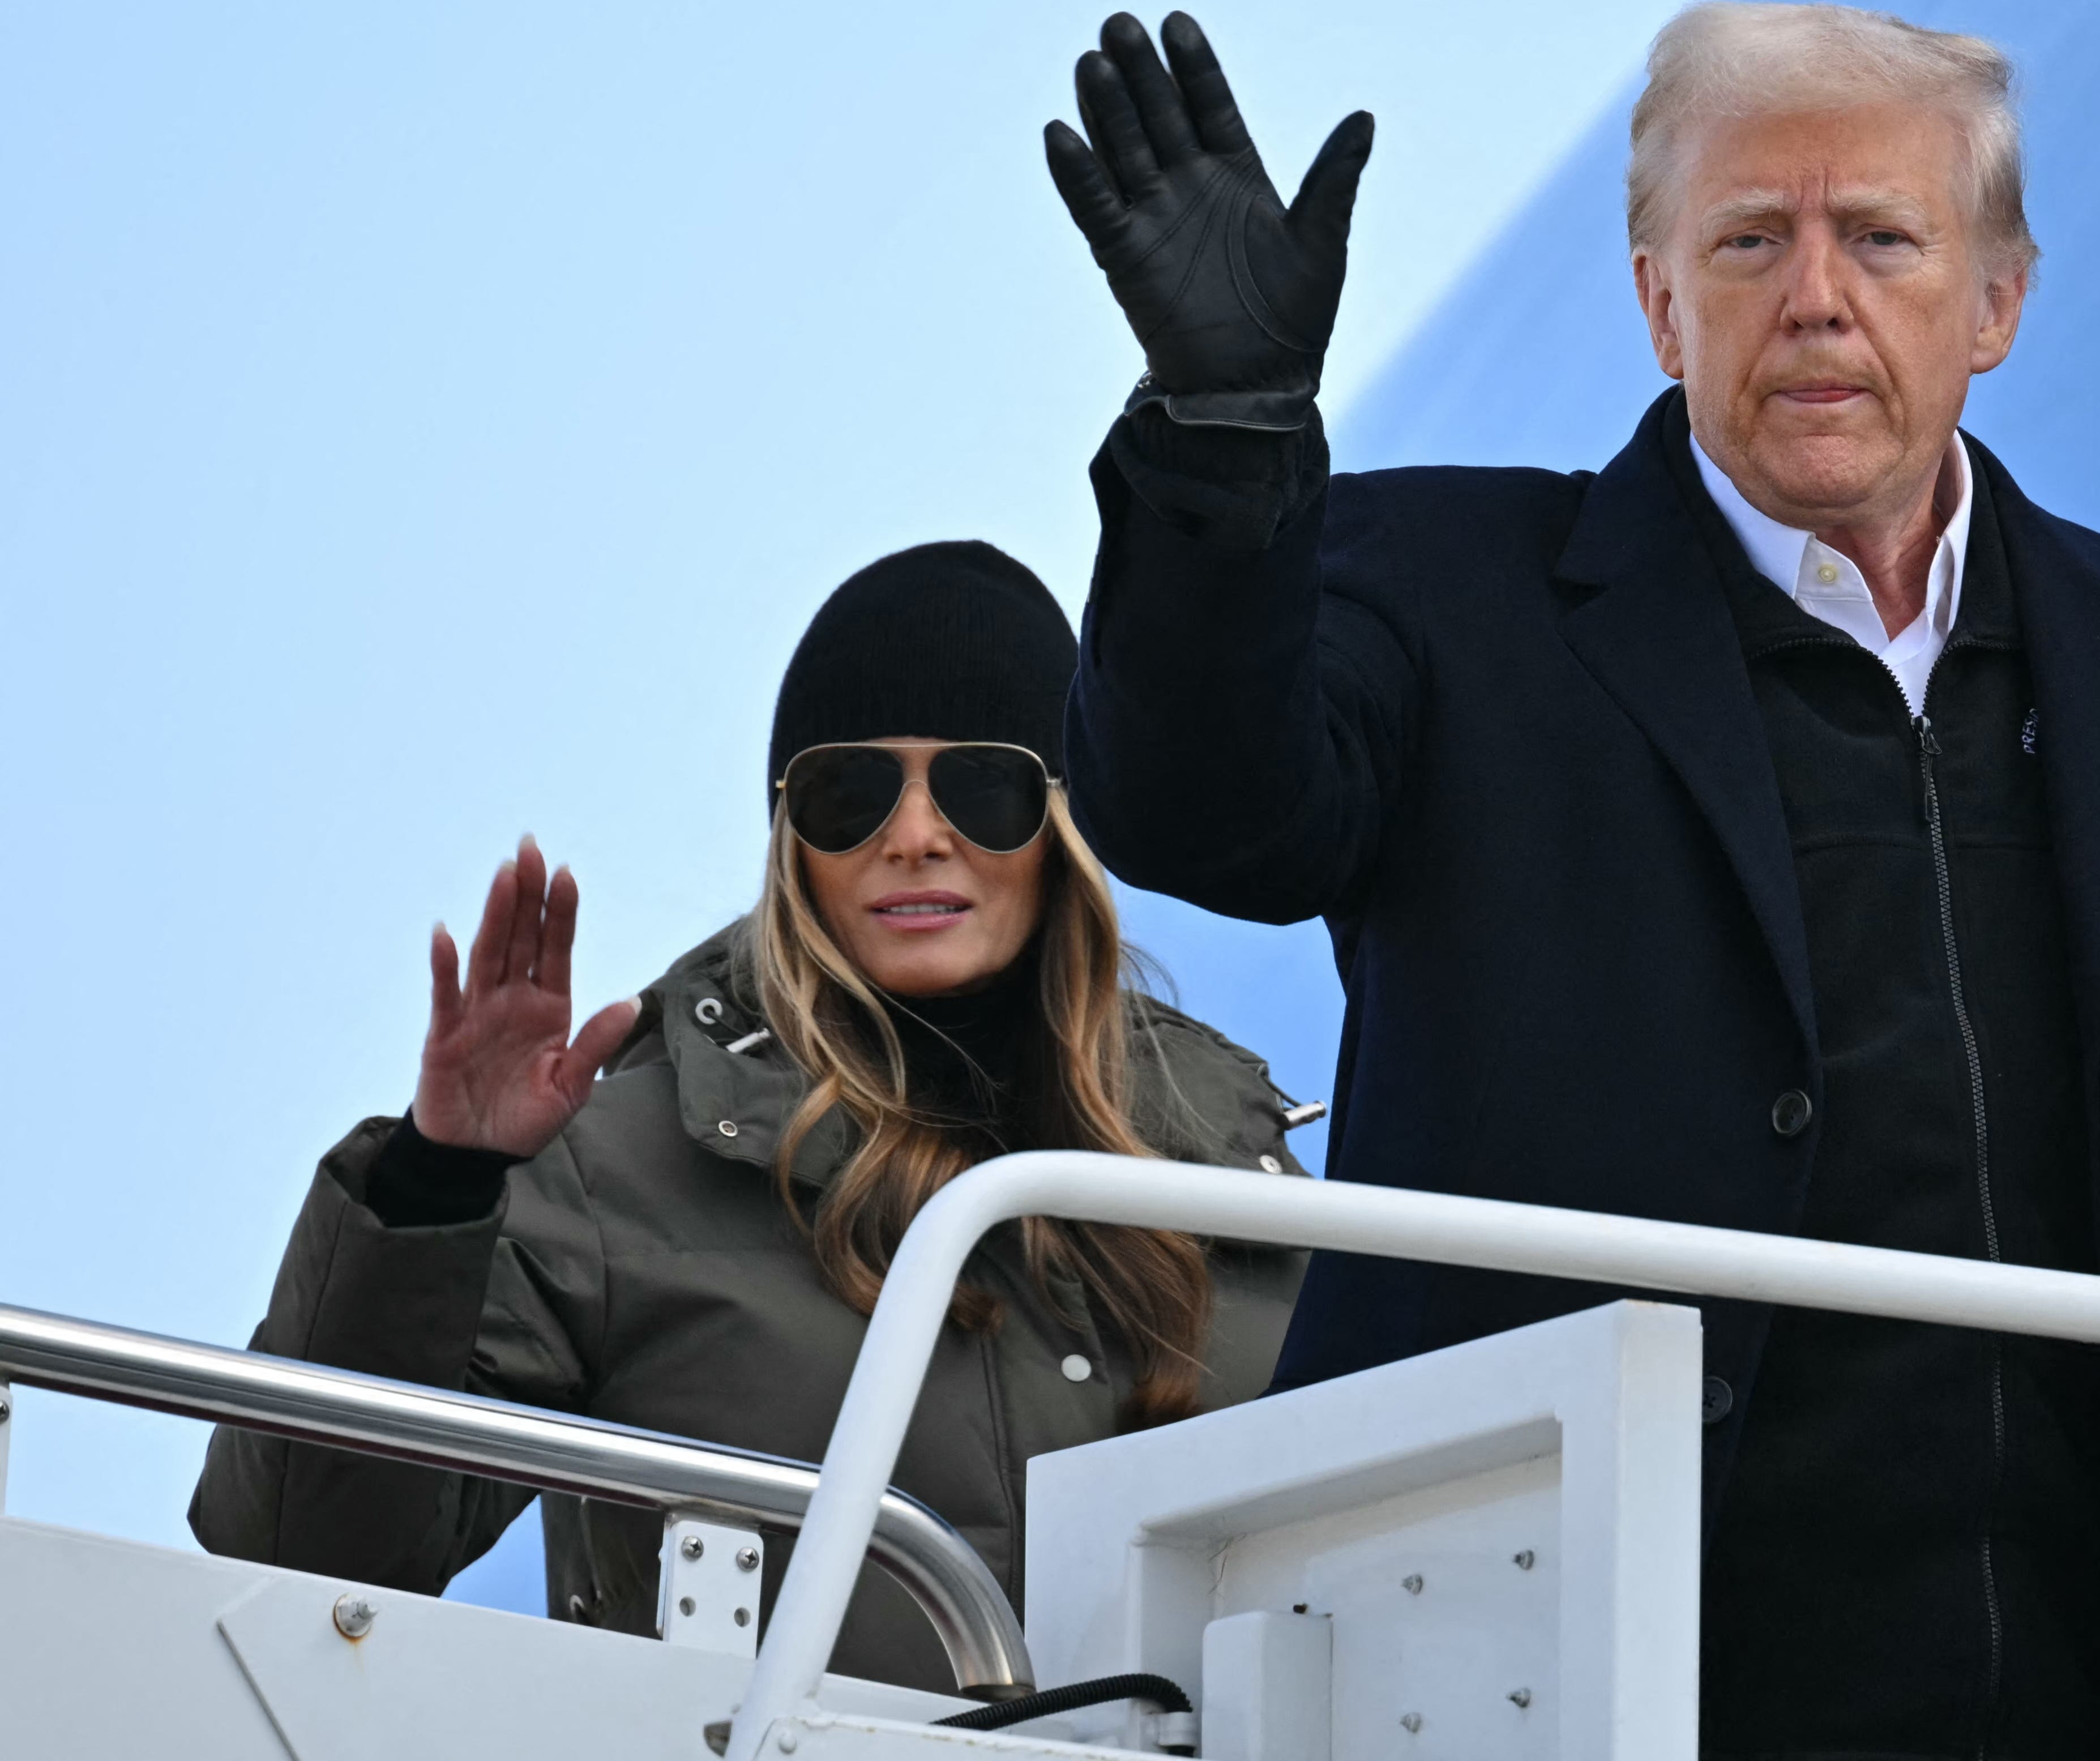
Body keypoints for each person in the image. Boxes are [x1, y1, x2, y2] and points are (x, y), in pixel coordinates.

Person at [1043, 6, 2100, 1760]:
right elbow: (1195, 812)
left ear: (1996, 300)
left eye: (1881, 238)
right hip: (1580, 1683)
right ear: (1659, 303)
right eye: (1750, 240)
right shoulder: (1446, 594)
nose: (1815, 299)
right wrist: (1226, 433)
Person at [190, 541, 1311, 1694]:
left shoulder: (1235, 1168)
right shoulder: (613, 1171)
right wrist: (435, 1184)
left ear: (1064, 822)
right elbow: (302, 1550)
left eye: (984, 784)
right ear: (789, 835)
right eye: (849, 791)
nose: (916, 832)